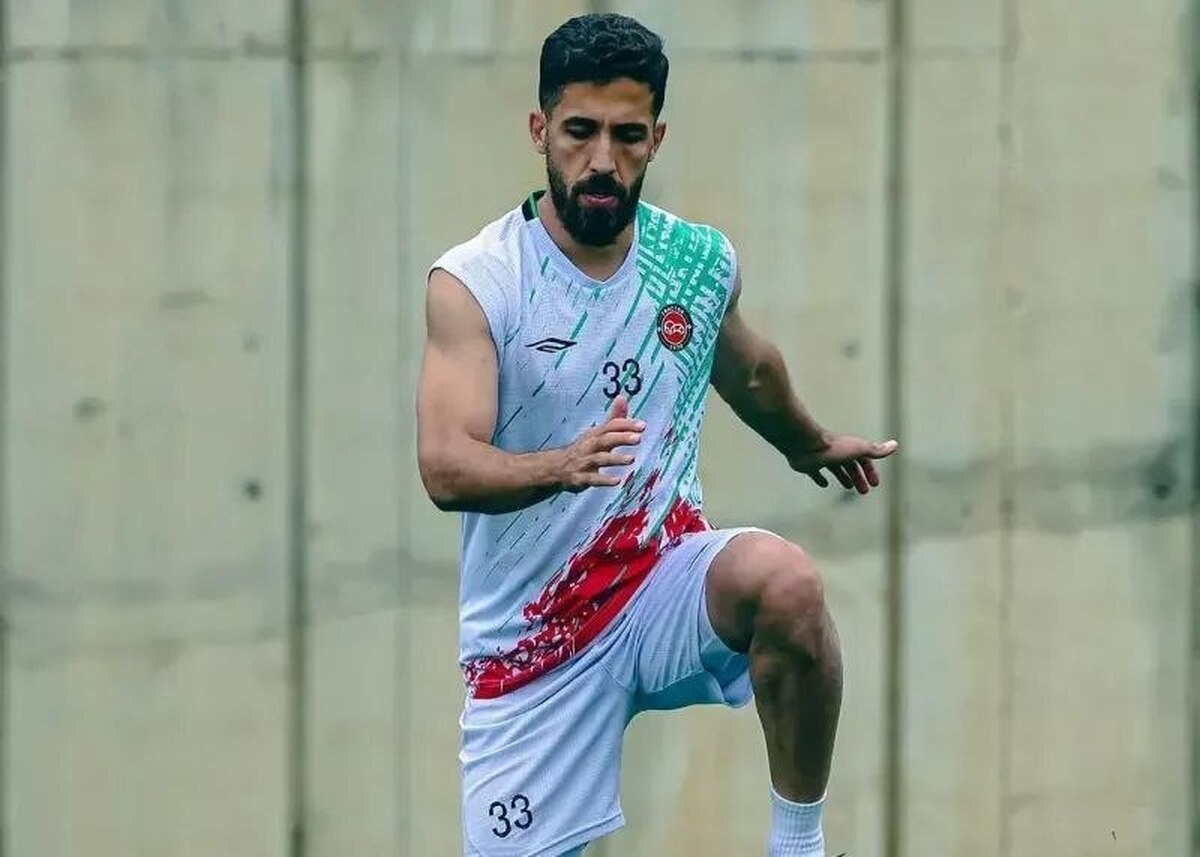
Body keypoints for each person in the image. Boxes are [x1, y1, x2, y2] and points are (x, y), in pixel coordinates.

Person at [416, 12, 898, 857]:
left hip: (656, 584)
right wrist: (563, 465)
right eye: (580, 132)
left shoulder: (692, 263)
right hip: (535, 646)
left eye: (628, 135)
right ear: (539, 131)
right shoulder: (480, 280)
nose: (603, 159)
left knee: (786, 582)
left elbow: (746, 366)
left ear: (656, 139)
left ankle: (798, 845)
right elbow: (446, 465)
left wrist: (808, 442)